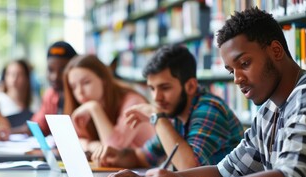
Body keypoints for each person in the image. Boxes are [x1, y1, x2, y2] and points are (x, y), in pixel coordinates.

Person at [105, 8, 306, 177]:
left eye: (245, 64)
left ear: (276, 50)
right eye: (231, 71)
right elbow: (225, 171)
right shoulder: (268, 111)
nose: (238, 79)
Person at [92, 45, 244, 170]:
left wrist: (157, 117)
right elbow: (144, 157)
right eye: (152, 88)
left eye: (165, 88)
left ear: (190, 86)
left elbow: (190, 168)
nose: (156, 98)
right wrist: (115, 155)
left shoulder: (209, 110)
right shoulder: (174, 113)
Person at [62, 54, 155, 152]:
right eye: (73, 87)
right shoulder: (85, 109)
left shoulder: (133, 101)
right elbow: (69, 143)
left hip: (146, 166)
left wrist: (94, 108)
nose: (80, 92)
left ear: (103, 80)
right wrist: (90, 145)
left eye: (86, 82)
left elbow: (113, 148)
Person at [12, 41, 77, 135]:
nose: (55, 76)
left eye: (62, 70)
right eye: (50, 70)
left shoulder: (81, 94)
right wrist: (7, 132)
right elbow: (37, 127)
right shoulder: (50, 95)